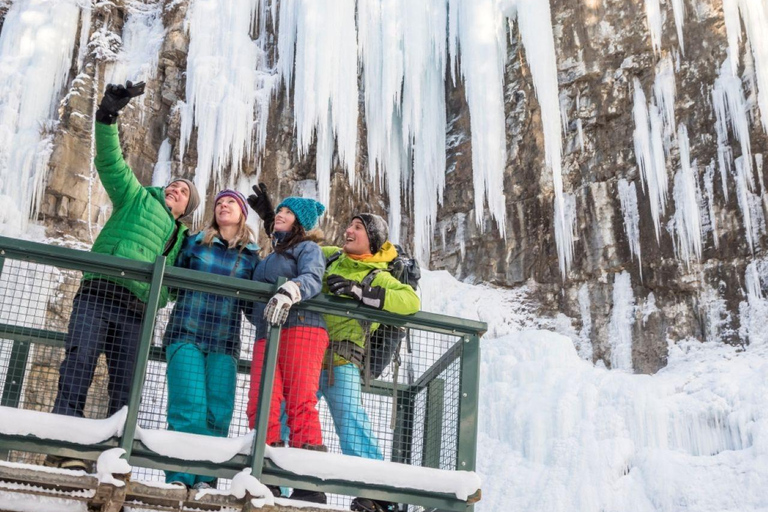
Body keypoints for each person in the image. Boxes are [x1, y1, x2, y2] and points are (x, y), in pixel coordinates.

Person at [46, 82, 200, 471]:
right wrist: (108, 115)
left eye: (183, 192)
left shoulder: (182, 240)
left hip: (136, 311)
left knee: (126, 386)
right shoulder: (136, 197)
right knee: (78, 364)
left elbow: (185, 280)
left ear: (186, 210)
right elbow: (111, 163)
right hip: (98, 293)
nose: (175, 189)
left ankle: (113, 458)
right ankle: (65, 448)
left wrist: (158, 298)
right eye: (174, 184)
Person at [321, 213, 420, 512]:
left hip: (342, 359)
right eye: (349, 225)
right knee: (285, 415)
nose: (348, 230)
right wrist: (274, 221)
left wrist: (360, 292)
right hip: (306, 353)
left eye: (358, 227)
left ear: (372, 239)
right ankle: (279, 485)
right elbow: (298, 251)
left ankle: (376, 492)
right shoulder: (331, 257)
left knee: (351, 422)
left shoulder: (378, 275)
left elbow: (410, 302)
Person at [162, 190, 260, 490]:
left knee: (218, 412)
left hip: (224, 341)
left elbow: (252, 306)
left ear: (242, 213)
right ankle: (179, 478)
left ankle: (205, 480)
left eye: (230, 202)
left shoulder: (252, 257)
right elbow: (171, 278)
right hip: (186, 331)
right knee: (188, 406)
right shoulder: (195, 242)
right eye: (219, 203)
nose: (223, 205)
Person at [245, 195, 329, 504]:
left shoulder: (308, 248)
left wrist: (291, 290)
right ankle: (267, 473)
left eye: (287, 212)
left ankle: (307, 482)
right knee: (261, 401)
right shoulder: (270, 255)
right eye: (278, 210)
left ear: (300, 222)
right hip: (268, 332)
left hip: (302, 327)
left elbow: (313, 277)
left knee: (300, 401)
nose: (280, 214)